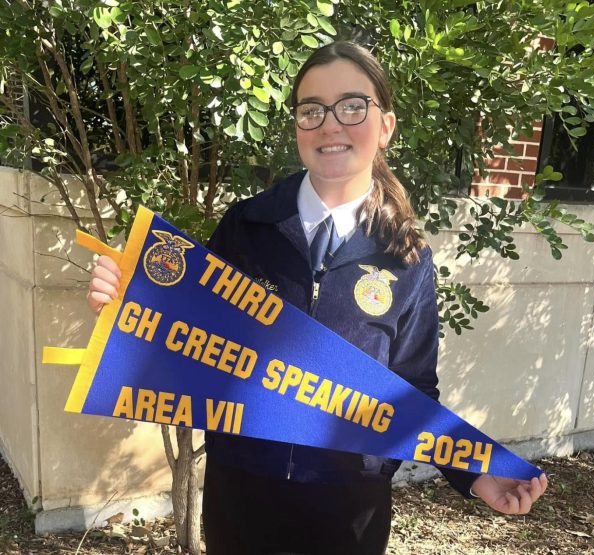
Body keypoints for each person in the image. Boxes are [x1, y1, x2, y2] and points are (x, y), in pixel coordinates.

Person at [88, 41, 548, 555]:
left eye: (353, 106)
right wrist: (127, 305)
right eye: (312, 110)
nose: (331, 124)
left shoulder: (406, 258)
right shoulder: (246, 227)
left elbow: (413, 389)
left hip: (350, 509)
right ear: (297, 127)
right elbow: (187, 341)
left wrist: (475, 473)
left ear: (385, 125)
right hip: (241, 495)